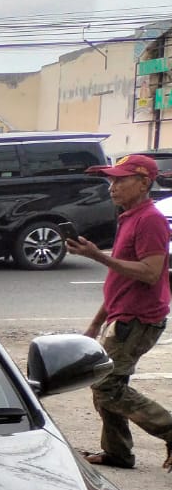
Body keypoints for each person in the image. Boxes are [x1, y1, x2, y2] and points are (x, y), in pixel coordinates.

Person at [64, 152, 172, 471]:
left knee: (107, 387)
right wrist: (96, 324)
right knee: (107, 383)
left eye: (121, 179)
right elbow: (120, 280)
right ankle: (117, 453)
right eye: (111, 179)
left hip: (139, 319)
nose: (112, 186)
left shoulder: (149, 220)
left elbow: (151, 272)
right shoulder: (129, 217)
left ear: (144, 183)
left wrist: (99, 257)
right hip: (122, 316)